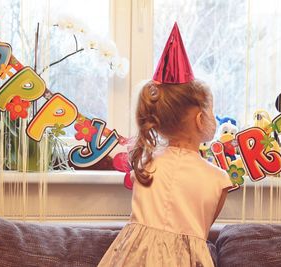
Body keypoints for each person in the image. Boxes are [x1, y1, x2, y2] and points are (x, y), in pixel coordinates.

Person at [97, 23, 232, 267]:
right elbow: (199, 232)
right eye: (211, 110)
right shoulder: (219, 180)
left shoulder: (145, 164)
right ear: (200, 118)